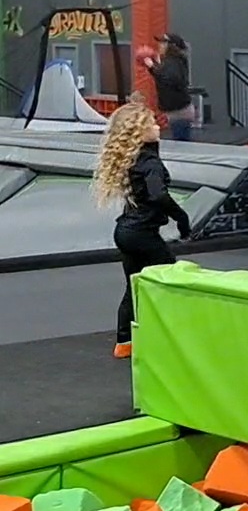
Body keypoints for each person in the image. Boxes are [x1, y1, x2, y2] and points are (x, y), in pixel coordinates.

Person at [92, 100, 191, 359]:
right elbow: (158, 195)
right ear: (140, 131)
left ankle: (124, 342)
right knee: (169, 277)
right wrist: (181, 218)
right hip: (141, 234)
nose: (158, 126)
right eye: (152, 123)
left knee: (133, 285)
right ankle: (174, 334)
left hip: (125, 232)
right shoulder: (150, 163)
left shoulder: (134, 159)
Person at [145, 33, 194, 141]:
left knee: (179, 145)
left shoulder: (174, 62)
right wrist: (154, 68)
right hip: (175, 111)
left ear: (171, 46)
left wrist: (153, 67)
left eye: (163, 43)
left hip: (178, 112)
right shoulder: (173, 61)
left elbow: (172, 79)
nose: (160, 45)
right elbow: (165, 77)